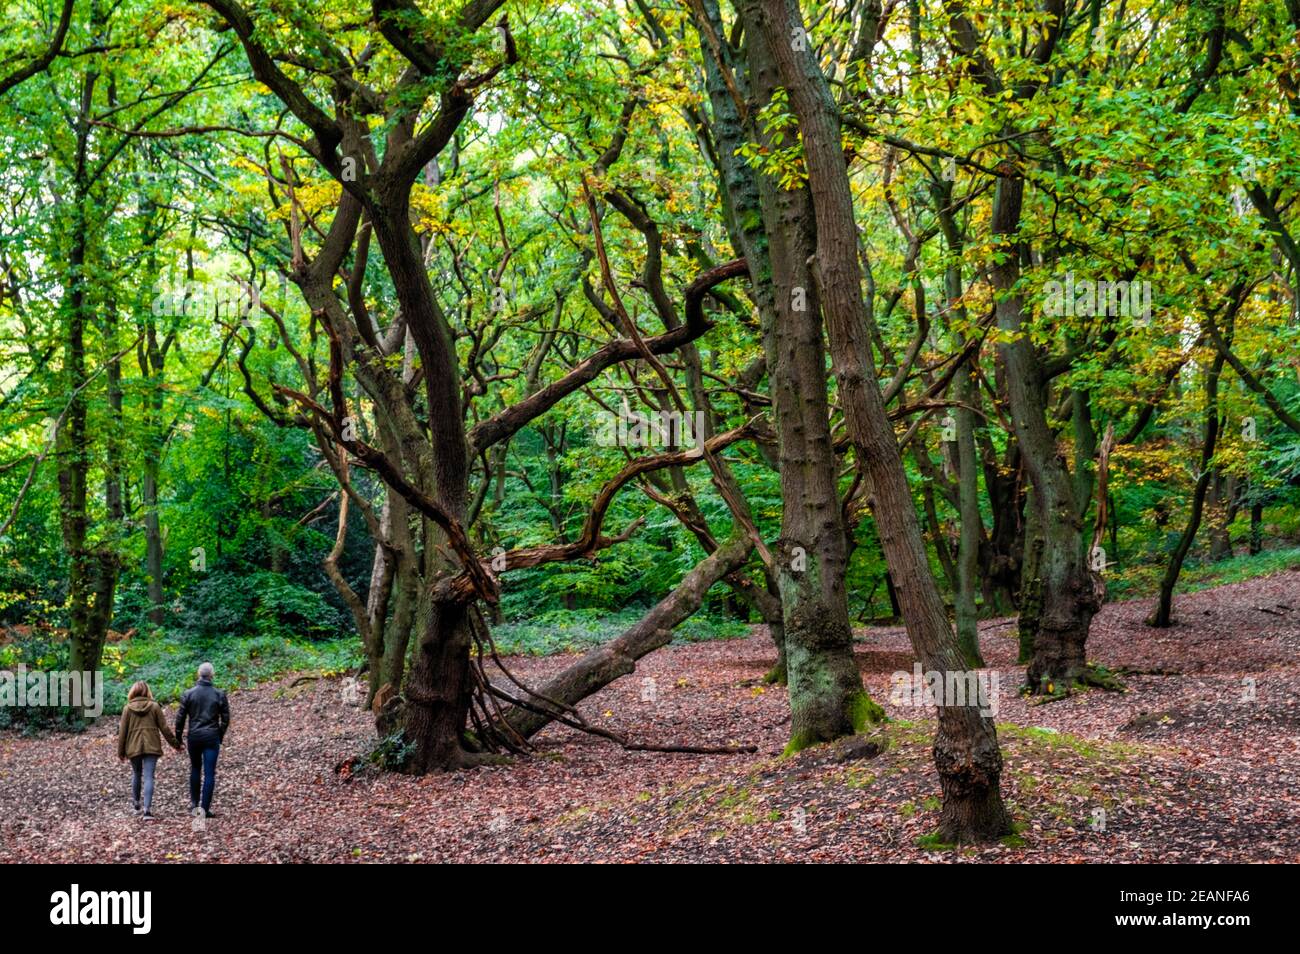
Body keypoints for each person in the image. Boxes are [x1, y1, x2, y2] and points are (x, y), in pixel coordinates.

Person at [117, 681, 181, 820]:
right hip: (151, 746)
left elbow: (123, 732)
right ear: (147, 691)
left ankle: (136, 802)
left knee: (136, 773)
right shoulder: (154, 706)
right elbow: (164, 728)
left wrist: (120, 752)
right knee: (148, 777)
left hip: (133, 746)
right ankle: (147, 811)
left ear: (133, 692)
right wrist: (175, 744)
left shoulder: (127, 709)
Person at [174, 662, 230, 818]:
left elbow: (180, 718)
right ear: (212, 675)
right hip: (211, 736)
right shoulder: (219, 694)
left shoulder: (188, 694)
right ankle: (204, 809)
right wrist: (220, 734)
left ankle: (194, 804)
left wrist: (178, 737)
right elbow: (225, 719)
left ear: (199, 674)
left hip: (194, 736)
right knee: (210, 772)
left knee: (195, 768)